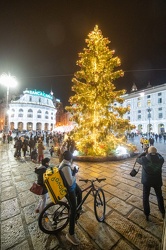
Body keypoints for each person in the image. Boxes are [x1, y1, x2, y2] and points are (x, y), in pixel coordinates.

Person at [59, 151, 82, 245]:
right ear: (71, 158)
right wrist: (75, 173)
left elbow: (68, 176)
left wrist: (72, 171)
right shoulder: (66, 167)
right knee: (73, 210)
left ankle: (78, 209)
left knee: (79, 192)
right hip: (68, 190)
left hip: (69, 186)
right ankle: (71, 234)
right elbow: (70, 182)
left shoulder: (64, 162)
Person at [136, 146, 165, 221]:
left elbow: (137, 158)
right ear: (156, 152)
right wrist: (155, 152)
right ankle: (163, 212)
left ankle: (147, 214)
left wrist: (144, 153)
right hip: (157, 181)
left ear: (148, 152)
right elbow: (160, 156)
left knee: (146, 197)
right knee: (159, 196)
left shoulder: (144, 160)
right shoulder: (161, 160)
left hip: (147, 181)